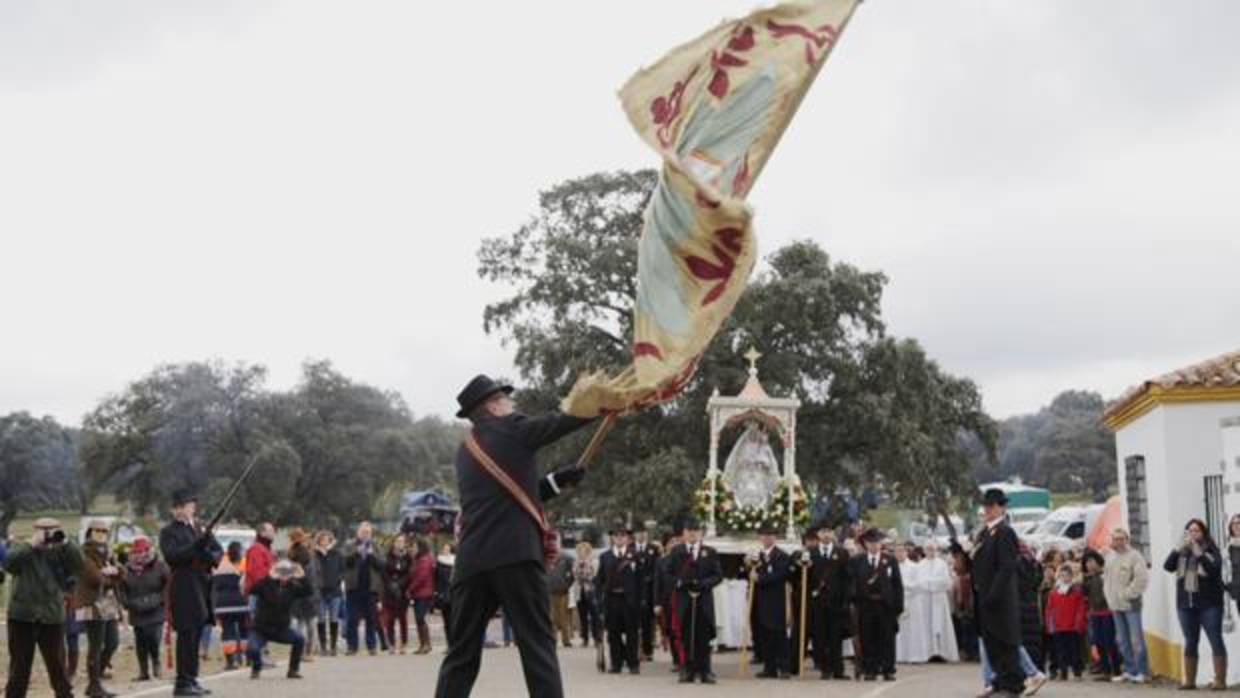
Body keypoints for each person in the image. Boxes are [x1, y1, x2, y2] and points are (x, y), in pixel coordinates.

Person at [434, 374, 594, 698]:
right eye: (506, 399)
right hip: (516, 557)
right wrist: (605, 403)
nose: (512, 404)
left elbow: (505, 497)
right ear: (492, 406)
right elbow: (561, 421)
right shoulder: (512, 427)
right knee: (537, 646)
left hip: (472, 561)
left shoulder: (466, 450)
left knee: (461, 655)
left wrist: (556, 480)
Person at [3, 517, 82, 698]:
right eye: (44, 530)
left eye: (52, 530)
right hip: (23, 616)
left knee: (58, 667)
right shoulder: (23, 549)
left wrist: (65, 542)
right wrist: (31, 545)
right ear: (35, 530)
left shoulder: (62, 551)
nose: (48, 535)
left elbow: (79, 564)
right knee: (19, 667)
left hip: (52, 616)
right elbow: (8, 564)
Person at [160, 489, 223, 697]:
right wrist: (197, 545)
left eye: (192, 504)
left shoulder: (199, 527)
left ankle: (192, 678)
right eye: (188, 504)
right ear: (176, 509)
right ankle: (182, 681)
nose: (192, 508)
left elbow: (217, 551)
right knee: (187, 633)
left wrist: (206, 552)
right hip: (184, 585)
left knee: (197, 632)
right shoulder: (169, 531)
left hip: (202, 583)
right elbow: (173, 556)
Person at [972, 488, 1027, 698]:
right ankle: (999, 681)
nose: (987, 509)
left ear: (1001, 508)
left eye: (992, 506)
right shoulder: (985, 533)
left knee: (1005, 640)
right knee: (991, 641)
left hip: (1000, 598)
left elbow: (1007, 567)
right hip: (984, 595)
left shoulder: (1005, 532)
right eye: (986, 506)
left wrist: (994, 594)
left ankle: (1013, 684)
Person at [1164, 517, 1227, 690]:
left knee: (1215, 639)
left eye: (1196, 530)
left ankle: (1220, 681)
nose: (1193, 534)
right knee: (1190, 641)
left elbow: (1214, 570)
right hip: (1186, 604)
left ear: (1203, 533)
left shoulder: (1211, 549)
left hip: (1210, 604)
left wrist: (1199, 553)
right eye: (1190, 531)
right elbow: (1168, 566)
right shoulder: (1182, 551)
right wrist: (1177, 549)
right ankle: (1190, 681)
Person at [668, 517, 722, 684]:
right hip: (684, 599)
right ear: (684, 533)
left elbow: (718, 575)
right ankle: (687, 670)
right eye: (689, 531)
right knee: (685, 635)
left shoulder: (710, 552)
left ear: (701, 533)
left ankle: (705, 670)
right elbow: (667, 574)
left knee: (703, 637)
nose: (692, 534)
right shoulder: (676, 552)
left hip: (703, 600)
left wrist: (702, 584)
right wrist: (680, 583)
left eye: (695, 531)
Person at [849, 527, 902, 681]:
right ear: (865, 544)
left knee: (887, 638)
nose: (874, 545)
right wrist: (854, 600)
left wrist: (898, 607)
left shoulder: (890, 560)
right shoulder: (857, 561)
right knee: (868, 638)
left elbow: (897, 584)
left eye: (877, 542)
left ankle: (888, 669)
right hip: (866, 605)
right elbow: (852, 583)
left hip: (885, 606)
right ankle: (870, 669)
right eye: (871, 542)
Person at [77, 519, 122, 698]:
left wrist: (113, 572)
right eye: (97, 531)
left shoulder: (108, 553)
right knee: (95, 646)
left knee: (113, 642)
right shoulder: (84, 554)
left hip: (108, 603)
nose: (101, 534)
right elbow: (95, 578)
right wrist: (111, 574)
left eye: (104, 531)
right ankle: (94, 684)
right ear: (89, 532)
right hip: (90, 604)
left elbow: (122, 572)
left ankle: (96, 677)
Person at [248, 559, 312, 680]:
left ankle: (293, 670)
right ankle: (256, 668)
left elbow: (308, 592)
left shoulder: (292, 587)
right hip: (260, 629)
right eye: (281, 572)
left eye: (287, 572)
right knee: (253, 649)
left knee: (299, 639)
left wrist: (302, 577)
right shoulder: (267, 584)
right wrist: (268, 576)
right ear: (277, 572)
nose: (284, 575)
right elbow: (253, 589)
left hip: (280, 629)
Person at [801, 526, 851, 680]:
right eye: (823, 532)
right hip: (817, 602)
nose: (826, 535)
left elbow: (847, 578)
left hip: (836, 601)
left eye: (829, 532)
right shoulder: (810, 553)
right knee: (820, 636)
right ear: (818, 535)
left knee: (836, 637)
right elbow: (804, 579)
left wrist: (846, 600)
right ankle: (824, 668)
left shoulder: (842, 553)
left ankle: (838, 670)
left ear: (833, 534)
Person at [121, 536, 169, 681]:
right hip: (136, 610)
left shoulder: (160, 566)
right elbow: (121, 589)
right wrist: (127, 603)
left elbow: (168, 585)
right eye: (135, 552)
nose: (138, 555)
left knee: (153, 638)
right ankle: (143, 671)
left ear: (148, 551)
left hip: (156, 610)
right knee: (140, 641)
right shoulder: (126, 569)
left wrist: (160, 599)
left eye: (141, 552)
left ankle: (156, 662)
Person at [1105, 527, 1149, 684]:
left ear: (1127, 540)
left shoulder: (1135, 557)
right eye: (1115, 539)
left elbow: (1141, 579)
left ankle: (1143, 671)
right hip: (1115, 605)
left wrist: (1127, 594)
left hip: (1131, 604)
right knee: (1122, 640)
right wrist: (1110, 598)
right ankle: (1131, 670)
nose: (1117, 542)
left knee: (1136, 639)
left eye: (1121, 538)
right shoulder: (1110, 557)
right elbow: (1107, 580)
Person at [597, 524, 641, 674]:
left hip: (630, 601)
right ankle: (616, 663)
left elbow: (640, 581)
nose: (620, 538)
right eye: (616, 536)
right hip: (612, 599)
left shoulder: (636, 556)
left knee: (632, 633)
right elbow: (599, 581)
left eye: (623, 536)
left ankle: (633, 664)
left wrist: (641, 601)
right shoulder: (605, 557)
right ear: (612, 538)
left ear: (628, 539)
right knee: (613, 633)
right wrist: (598, 600)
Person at [751, 524, 792, 679]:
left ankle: (784, 667)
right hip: (760, 600)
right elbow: (747, 573)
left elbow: (781, 574)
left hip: (776, 600)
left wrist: (760, 578)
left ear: (775, 537)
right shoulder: (756, 555)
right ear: (760, 537)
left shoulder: (782, 556)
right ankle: (769, 668)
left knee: (779, 634)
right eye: (764, 535)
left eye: (770, 535)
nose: (767, 538)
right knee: (764, 634)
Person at [343, 522, 385, 656]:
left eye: (368, 532)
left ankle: (371, 646)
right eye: (363, 532)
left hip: (371, 588)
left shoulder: (376, 545)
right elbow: (345, 562)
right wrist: (356, 552)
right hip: (354, 587)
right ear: (358, 532)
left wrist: (372, 555)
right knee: (352, 619)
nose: (365, 534)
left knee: (371, 619)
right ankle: (352, 646)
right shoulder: (350, 545)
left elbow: (382, 565)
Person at [1081, 550, 1120, 680]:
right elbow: (1084, 595)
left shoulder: (1105, 574)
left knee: (1109, 641)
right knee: (1098, 642)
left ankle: (1117, 669)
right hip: (1094, 613)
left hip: (1108, 612)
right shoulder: (1087, 578)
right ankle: (1105, 671)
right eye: (1086, 562)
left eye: (1091, 561)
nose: (1089, 564)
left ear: (1098, 561)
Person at [1044, 563, 1086, 680]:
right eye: (1062, 575)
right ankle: (1063, 672)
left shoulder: (1077, 591)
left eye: (1067, 575)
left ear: (1071, 577)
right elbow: (1049, 609)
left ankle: (1077, 672)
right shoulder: (1054, 592)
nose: (1064, 578)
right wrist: (1050, 625)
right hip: (1058, 627)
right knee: (1060, 651)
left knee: (1074, 651)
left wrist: (1078, 623)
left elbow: (1081, 608)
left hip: (1072, 627)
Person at [211, 542, 249, 670]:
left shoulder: (220, 563)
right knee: (245, 630)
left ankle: (230, 661)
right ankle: (248, 658)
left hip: (223, 604)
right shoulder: (244, 563)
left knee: (227, 632)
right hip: (242, 603)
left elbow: (213, 584)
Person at [286, 529, 321, 661]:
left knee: (303, 625)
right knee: (307, 625)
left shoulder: (293, 555)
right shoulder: (301, 556)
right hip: (306, 594)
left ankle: (303, 652)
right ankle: (306, 652)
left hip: (302, 594)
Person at [920, 543, 959, 662]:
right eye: (928, 549)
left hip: (939, 599)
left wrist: (930, 583)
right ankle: (928, 652)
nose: (930, 551)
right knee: (926, 626)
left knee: (940, 625)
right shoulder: (921, 565)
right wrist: (930, 583)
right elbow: (920, 582)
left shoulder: (942, 564)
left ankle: (942, 652)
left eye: (932, 549)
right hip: (925, 599)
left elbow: (946, 582)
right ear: (924, 551)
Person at [652, 529, 683, 670]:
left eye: (677, 541)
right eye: (671, 542)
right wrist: (657, 603)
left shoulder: (685, 558)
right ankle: (676, 660)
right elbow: (657, 583)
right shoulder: (661, 561)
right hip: (667, 600)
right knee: (671, 630)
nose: (674, 544)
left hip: (683, 598)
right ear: (665, 545)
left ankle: (686, 660)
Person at [895, 542, 929, 664]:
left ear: (906, 552)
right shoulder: (894, 567)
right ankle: (900, 655)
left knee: (914, 629)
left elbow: (920, 584)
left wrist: (906, 587)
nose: (899, 554)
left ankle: (915, 655)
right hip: (899, 601)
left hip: (913, 601)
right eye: (896, 551)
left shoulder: (915, 567)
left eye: (901, 551)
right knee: (900, 630)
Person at [312, 530, 344, 657]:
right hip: (320, 591)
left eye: (327, 540)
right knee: (321, 618)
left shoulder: (336, 554)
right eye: (322, 540)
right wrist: (322, 553)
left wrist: (338, 580)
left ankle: (333, 646)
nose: (325, 542)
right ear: (318, 541)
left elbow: (342, 570)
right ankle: (323, 646)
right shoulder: (315, 554)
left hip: (335, 591)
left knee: (334, 618)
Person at [379, 534, 413, 654]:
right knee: (390, 619)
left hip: (403, 592)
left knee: (403, 619)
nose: (399, 543)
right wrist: (391, 585)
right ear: (394, 543)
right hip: (389, 592)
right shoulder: (387, 556)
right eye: (397, 541)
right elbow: (383, 573)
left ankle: (403, 644)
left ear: (405, 543)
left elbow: (410, 573)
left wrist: (400, 584)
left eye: (402, 541)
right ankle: (391, 644)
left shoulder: (408, 557)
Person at [632, 525, 659, 662]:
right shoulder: (630, 548)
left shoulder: (653, 549)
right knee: (633, 623)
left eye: (643, 533)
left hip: (648, 591)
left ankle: (648, 650)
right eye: (638, 533)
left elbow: (657, 569)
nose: (641, 535)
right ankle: (635, 650)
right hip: (633, 591)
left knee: (647, 623)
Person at [408, 536, 437, 655]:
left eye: (414, 546)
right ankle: (423, 644)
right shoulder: (418, 559)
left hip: (423, 593)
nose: (412, 549)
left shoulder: (424, 560)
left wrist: (409, 590)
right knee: (419, 619)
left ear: (420, 547)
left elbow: (421, 578)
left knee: (420, 618)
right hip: (419, 593)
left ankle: (426, 644)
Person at [570, 541, 600, 648]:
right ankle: (585, 638)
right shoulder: (576, 562)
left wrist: (583, 571)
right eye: (579, 551)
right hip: (579, 591)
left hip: (591, 590)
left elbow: (594, 574)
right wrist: (581, 572)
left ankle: (597, 638)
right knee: (582, 616)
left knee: (594, 615)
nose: (581, 552)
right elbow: (574, 574)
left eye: (583, 550)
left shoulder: (594, 561)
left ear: (588, 551)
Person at [547, 541, 576, 649]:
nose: (554, 545)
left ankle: (566, 640)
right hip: (549, 592)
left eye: (556, 543)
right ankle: (553, 640)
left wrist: (567, 584)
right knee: (552, 617)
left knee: (564, 617)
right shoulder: (546, 556)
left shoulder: (567, 558)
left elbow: (573, 573)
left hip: (563, 592)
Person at [433, 542, 456, 649]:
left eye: (448, 548)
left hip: (454, 593)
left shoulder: (456, 560)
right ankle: (449, 644)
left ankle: (456, 644)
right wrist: (437, 593)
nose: (446, 550)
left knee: (455, 620)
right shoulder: (439, 561)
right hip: (443, 594)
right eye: (444, 548)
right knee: (446, 621)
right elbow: (436, 579)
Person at [244, 523, 276, 595]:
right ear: (262, 533)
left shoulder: (267, 549)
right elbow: (256, 573)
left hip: (265, 591)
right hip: (259, 593)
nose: (274, 533)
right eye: (271, 530)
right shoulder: (257, 549)